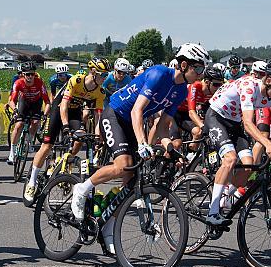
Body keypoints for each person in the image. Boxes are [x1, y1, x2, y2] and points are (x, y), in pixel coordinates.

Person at [70, 44, 210, 252]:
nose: (201, 74)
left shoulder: (181, 90)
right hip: (116, 115)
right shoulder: (158, 74)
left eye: (203, 70)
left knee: (130, 182)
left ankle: (107, 228)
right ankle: (82, 188)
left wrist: (169, 147)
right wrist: (143, 143)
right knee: (123, 165)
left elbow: (162, 126)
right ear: (184, 64)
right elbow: (137, 111)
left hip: (131, 123)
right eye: (198, 69)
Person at [204, 59, 271, 226]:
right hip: (216, 117)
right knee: (230, 159)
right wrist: (268, 144)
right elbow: (248, 123)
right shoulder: (249, 86)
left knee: (249, 165)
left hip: (234, 122)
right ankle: (213, 211)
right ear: (268, 81)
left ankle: (227, 194)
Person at [23, 58, 110, 202]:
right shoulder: (76, 80)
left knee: (80, 140)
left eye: (107, 75)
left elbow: (97, 115)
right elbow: (64, 105)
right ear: (93, 72)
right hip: (59, 109)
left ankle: (65, 160)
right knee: (47, 146)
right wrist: (65, 127)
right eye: (102, 74)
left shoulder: (100, 92)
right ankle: (31, 182)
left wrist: (98, 136)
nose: (104, 78)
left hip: (75, 112)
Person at [7, 62, 50, 164]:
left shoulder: (40, 83)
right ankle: (12, 152)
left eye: (32, 74)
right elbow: (12, 101)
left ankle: (29, 142)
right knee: (19, 125)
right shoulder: (18, 83)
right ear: (23, 74)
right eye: (27, 74)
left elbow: (47, 102)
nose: (30, 76)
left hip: (36, 103)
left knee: (35, 122)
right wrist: (15, 110)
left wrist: (44, 115)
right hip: (24, 102)